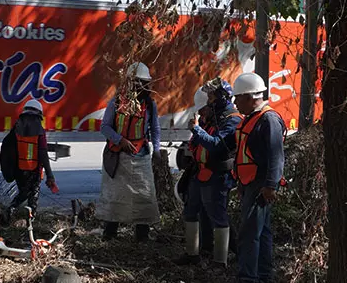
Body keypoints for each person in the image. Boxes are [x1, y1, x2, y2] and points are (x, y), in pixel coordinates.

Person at [96, 61, 163, 242]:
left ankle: (142, 236)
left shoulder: (150, 104)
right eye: (135, 81)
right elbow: (105, 127)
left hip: (141, 156)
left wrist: (157, 150)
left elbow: (155, 129)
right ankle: (110, 234)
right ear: (128, 82)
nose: (139, 86)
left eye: (142, 82)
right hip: (119, 156)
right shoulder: (117, 102)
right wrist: (121, 140)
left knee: (144, 195)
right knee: (116, 196)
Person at [178, 79, 242, 266]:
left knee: (218, 215)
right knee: (191, 210)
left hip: (218, 175)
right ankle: (193, 254)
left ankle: (220, 260)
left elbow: (217, 146)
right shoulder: (213, 117)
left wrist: (196, 129)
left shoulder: (232, 120)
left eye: (211, 96)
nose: (207, 102)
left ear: (221, 97)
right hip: (200, 173)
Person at [231, 71, 285, 283]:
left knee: (250, 233)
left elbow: (276, 156)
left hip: (261, 184)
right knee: (261, 232)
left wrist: (270, 185)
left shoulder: (268, 119)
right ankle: (263, 277)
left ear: (251, 97)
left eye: (238, 98)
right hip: (251, 183)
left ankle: (248, 280)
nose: (235, 103)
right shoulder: (253, 118)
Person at [0, 99, 58, 221]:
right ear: (39, 113)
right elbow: (43, 153)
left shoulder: (16, 127)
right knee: (33, 196)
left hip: (19, 170)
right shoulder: (39, 129)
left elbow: (9, 151)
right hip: (34, 170)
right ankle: (29, 221)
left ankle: (11, 211)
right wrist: (49, 174)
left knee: (24, 192)